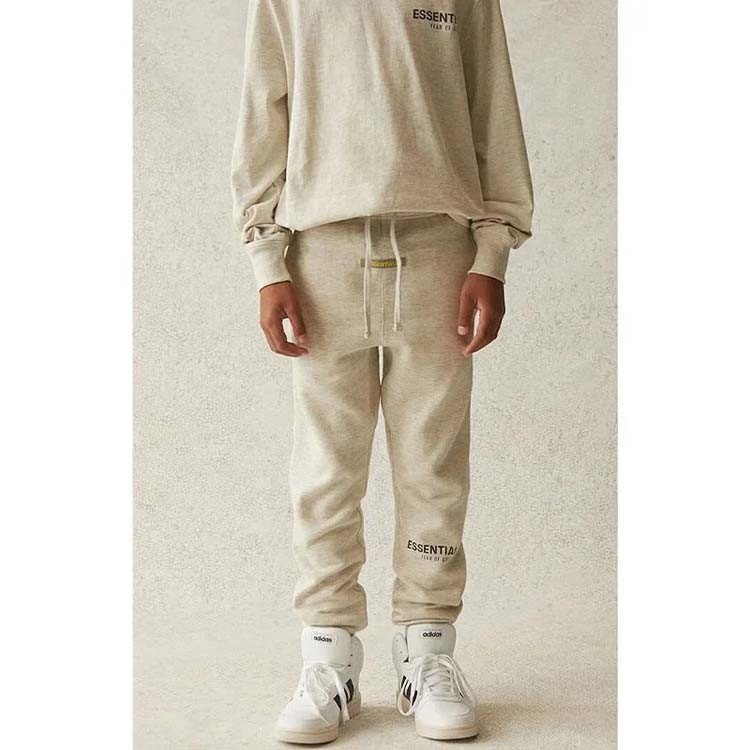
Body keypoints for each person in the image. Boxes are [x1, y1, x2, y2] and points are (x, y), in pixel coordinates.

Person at [231, 0, 533, 743]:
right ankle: (328, 658)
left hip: (441, 251)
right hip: (322, 252)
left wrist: (492, 254)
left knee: (434, 465)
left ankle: (426, 651)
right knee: (326, 470)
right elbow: (263, 113)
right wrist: (267, 262)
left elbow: (492, 107)